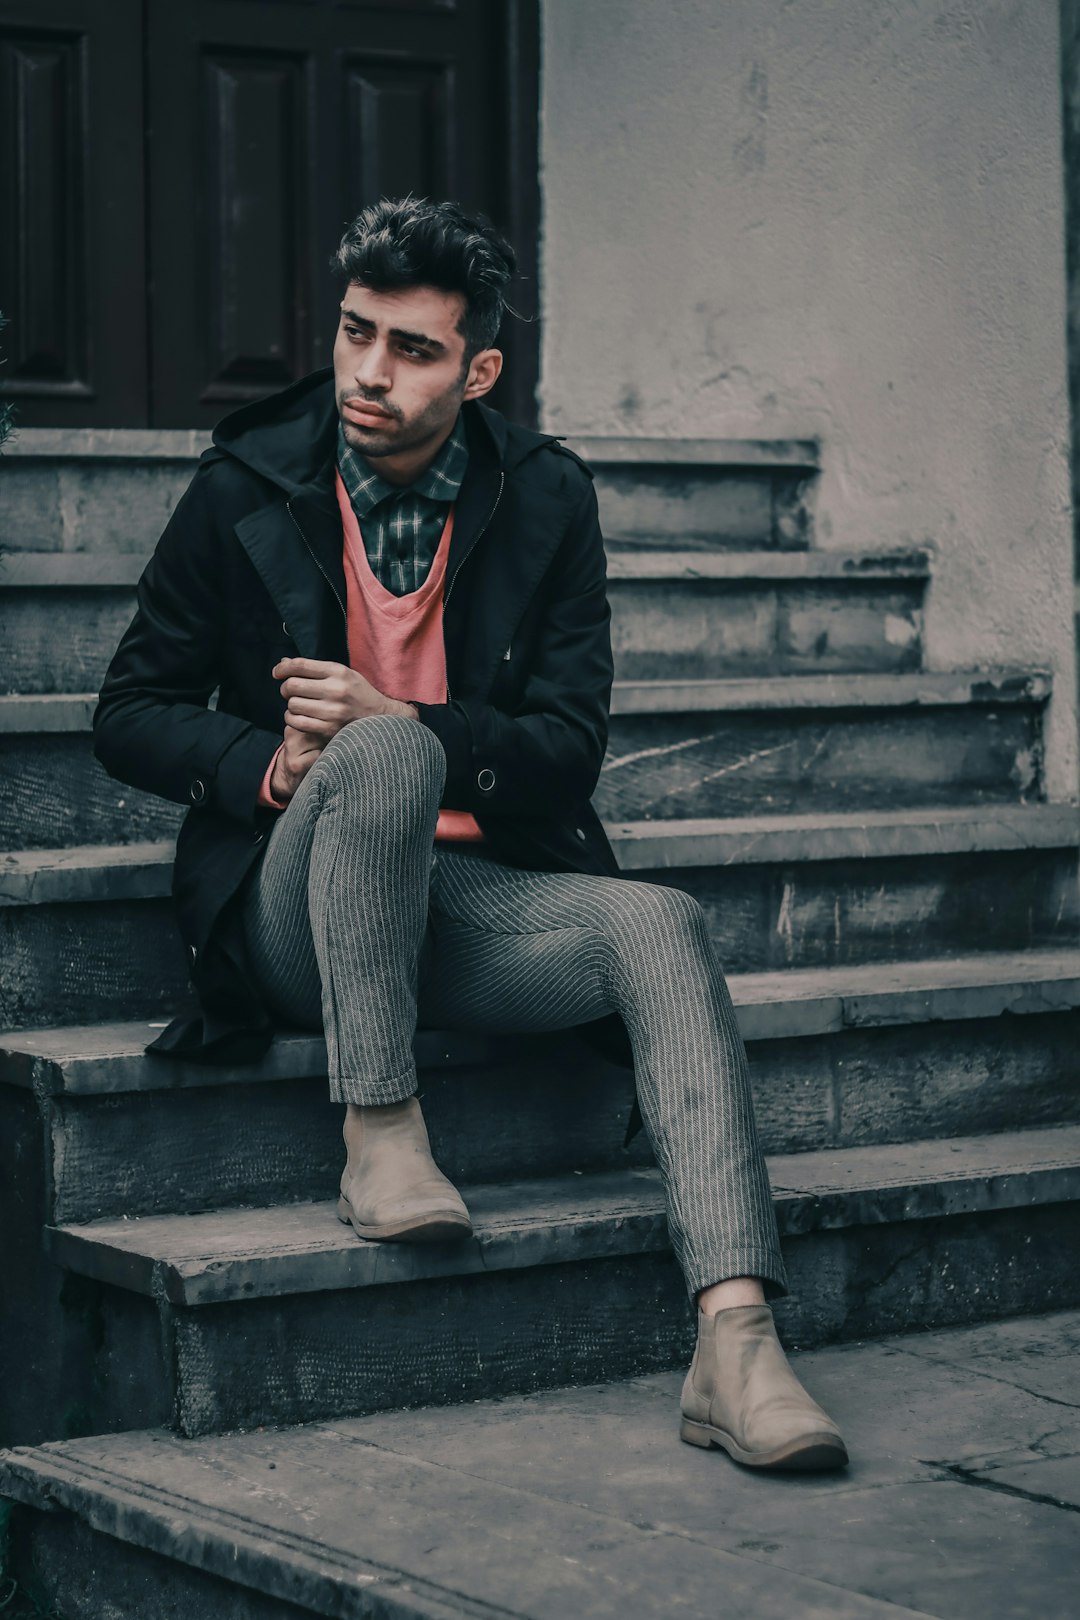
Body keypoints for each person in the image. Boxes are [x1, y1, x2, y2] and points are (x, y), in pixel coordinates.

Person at [94, 197, 847, 1473]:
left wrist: (411, 715)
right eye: (355, 334)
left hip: (481, 900)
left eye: (414, 348)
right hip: (303, 915)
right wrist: (263, 764)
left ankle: (737, 1339)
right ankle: (381, 1128)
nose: (370, 373)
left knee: (655, 920)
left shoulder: (546, 499)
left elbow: (567, 751)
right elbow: (128, 713)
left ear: (480, 369)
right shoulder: (243, 488)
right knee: (376, 753)